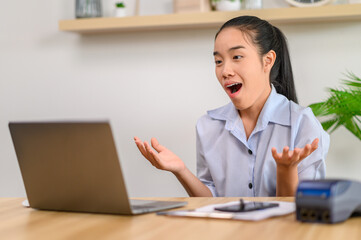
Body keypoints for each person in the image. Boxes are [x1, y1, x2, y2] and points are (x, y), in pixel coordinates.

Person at [134, 16, 329, 197]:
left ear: (267, 61)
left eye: (237, 57)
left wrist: (286, 170)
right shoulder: (207, 126)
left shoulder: (302, 124)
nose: (225, 71)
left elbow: (303, 211)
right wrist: (180, 170)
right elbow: (211, 201)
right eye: (218, 61)